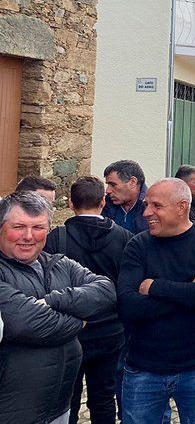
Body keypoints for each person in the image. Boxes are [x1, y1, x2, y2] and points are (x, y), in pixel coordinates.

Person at [116, 178, 195, 424]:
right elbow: (127, 305)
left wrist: (154, 286)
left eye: (156, 206)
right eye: (146, 205)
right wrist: (192, 288)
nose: (147, 213)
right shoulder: (137, 245)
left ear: (181, 207)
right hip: (143, 368)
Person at [0, 192, 116, 424]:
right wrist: (79, 321)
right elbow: (23, 323)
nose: (28, 236)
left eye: (38, 227)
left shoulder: (59, 264)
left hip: (58, 408)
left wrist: (54, 301)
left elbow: (106, 290)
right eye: (19, 226)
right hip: (11, 412)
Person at [44, 177, 134, 424]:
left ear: (71, 203)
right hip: (110, 331)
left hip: (70, 330)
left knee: (67, 398)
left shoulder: (56, 238)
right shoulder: (124, 237)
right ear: (103, 201)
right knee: (104, 397)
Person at [102, 160, 149, 234]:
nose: (107, 190)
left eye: (113, 185)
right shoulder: (104, 205)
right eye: (108, 185)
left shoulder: (152, 208)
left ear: (132, 182)